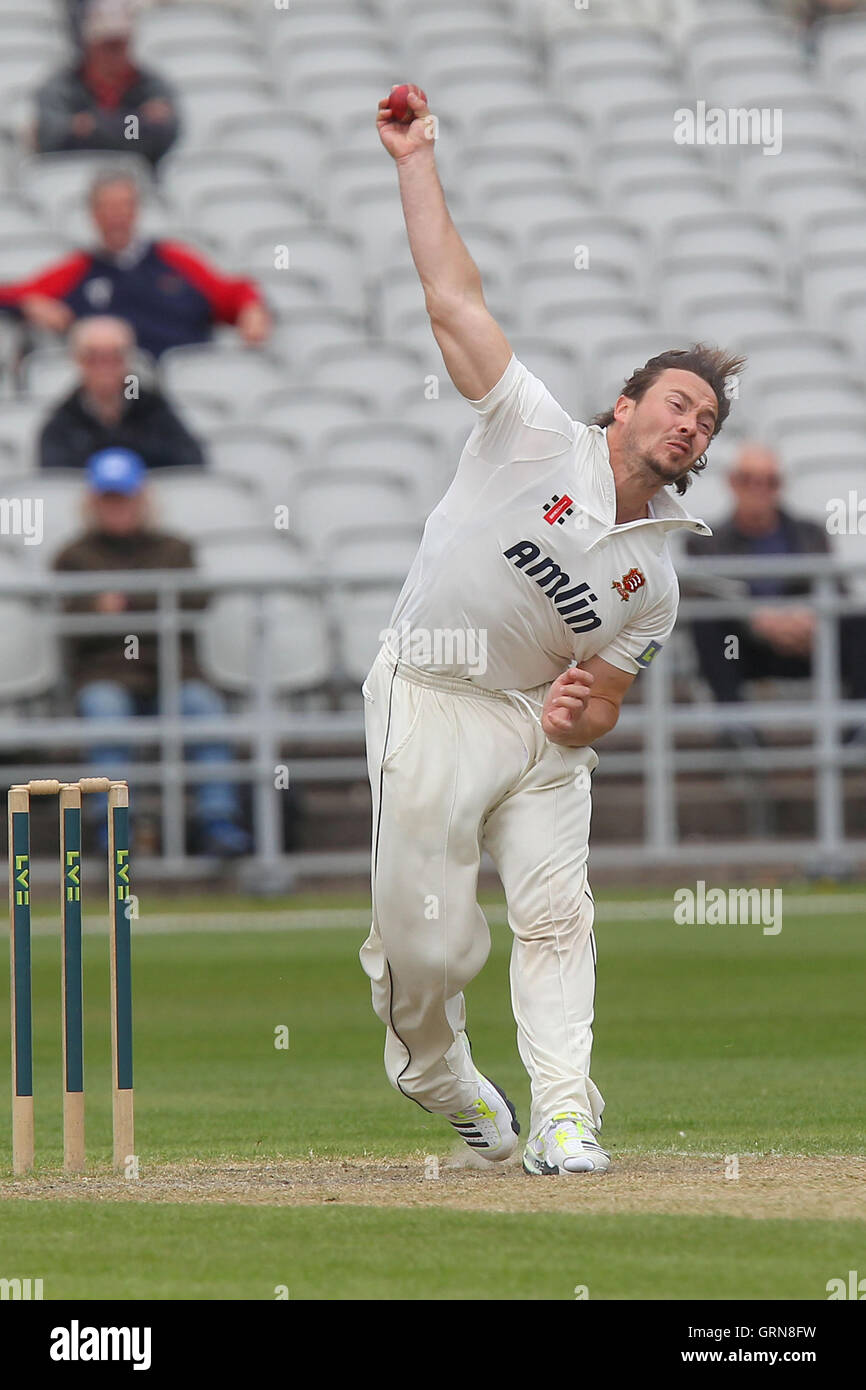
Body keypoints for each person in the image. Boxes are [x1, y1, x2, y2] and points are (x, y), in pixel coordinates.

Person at [360, 86, 744, 1177]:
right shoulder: (528, 429)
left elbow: (607, 696)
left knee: (554, 917)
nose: (689, 422)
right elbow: (450, 299)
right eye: (674, 401)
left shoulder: (655, 577)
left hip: (534, 737)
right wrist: (413, 158)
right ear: (623, 406)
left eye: (705, 421)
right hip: (428, 696)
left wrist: (587, 712)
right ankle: (439, 1077)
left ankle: (566, 1113)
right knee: (424, 949)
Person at [53, 447, 251, 857]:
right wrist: (153, 601)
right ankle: (113, 827)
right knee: (105, 710)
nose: (118, 508)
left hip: (173, 673)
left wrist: (119, 605)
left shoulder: (174, 548)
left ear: (142, 499)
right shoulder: (72, 556)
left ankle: (218, 821)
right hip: (107, 676)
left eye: (124, 497)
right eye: (109, 499)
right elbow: (71, 622)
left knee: (203, 707)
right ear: (93, 503)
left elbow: (197, 600)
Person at [684, 444, 866, 731]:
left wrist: (810, 617)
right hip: (743, 647)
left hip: (812, 641)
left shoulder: (810, 533)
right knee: (707, 623)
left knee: (858, 621)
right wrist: (755, 618)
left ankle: (856, 731)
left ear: (781, 486)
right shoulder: (705, 541)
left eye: (770, 481)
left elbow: (836, 590)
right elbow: (703, 591)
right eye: (749, 479)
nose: (759, 489)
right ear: (733, 483)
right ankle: (738, 731)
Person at [0, 171, 272, 358]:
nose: (116, 217)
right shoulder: (77, 271)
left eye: (123, 207)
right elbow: (11, 295)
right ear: (93, 214)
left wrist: (251, 308)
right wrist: (28, 305)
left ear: (137, 210)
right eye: (107, 208)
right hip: (119, 392)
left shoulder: (175, 260)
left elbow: (232, 295)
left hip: (186, 381)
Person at [39, 315, 205, 471]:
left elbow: (191, 461)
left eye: (115, 356)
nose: (105, 367)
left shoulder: (151, 407)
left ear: (129, 359)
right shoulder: (64, 417)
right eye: (93, 357)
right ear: (77, 360)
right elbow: (55, 476)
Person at [35, 0, 179, 168]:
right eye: (108, 45)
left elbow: (161, 136)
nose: (115, 54)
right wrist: (135, 120)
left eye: (121, 44)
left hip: (134, 177)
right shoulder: (61, 87)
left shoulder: (150, 84)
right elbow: (52, 139)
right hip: (76, 173)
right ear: (89, 45)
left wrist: (92, 126)